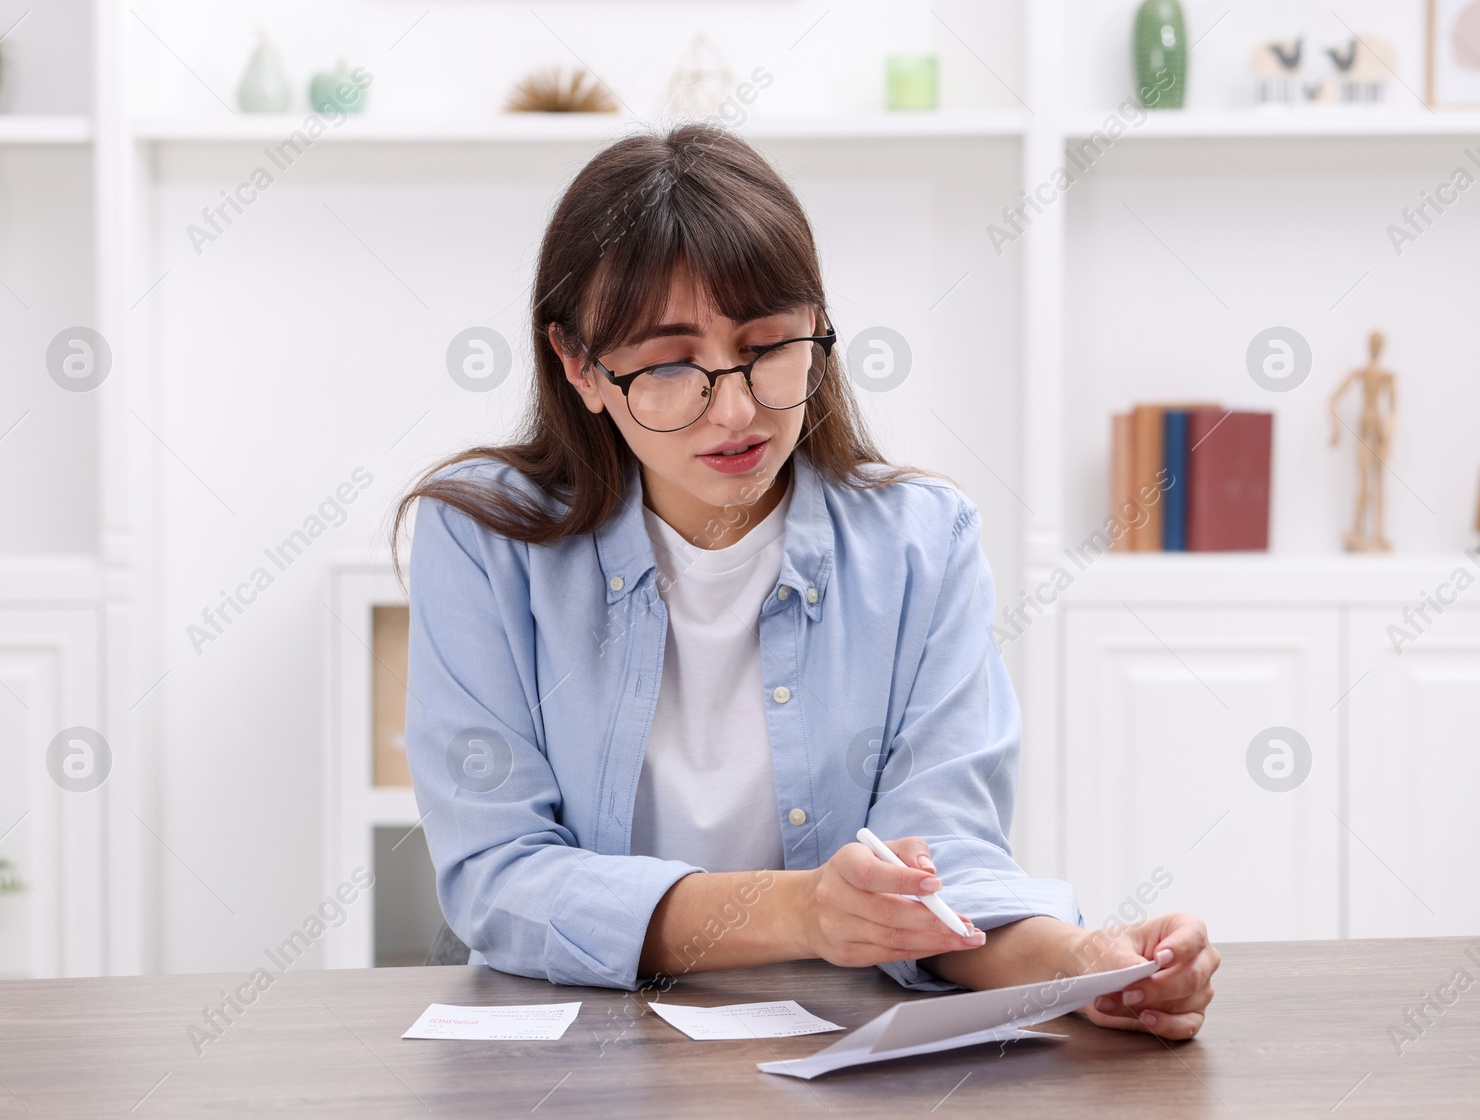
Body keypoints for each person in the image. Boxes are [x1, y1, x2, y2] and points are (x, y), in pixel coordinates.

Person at [396, 122, 1218, 1039]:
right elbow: (499, 875)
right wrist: (798, 912)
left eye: (768, 346)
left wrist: (1083, 967)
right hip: (576, 1053)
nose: (737, 409)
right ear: (582, 368)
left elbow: (944, 874)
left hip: (834, 1050)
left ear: (817, 331)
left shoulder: (923, 544)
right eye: (670, 364)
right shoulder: (481, 538)